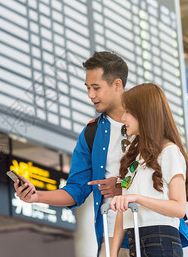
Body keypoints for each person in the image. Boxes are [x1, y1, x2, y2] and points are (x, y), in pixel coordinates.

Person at [15, 51, 129, 256]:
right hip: (112, 237)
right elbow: (76, 189)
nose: (90, 95)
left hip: (154, 230)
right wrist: (36, 196)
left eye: (96, 88)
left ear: (117, 85)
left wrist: (123, 185)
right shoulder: (91, 134)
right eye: (88, 88)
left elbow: (171, 172)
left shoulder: (150, 121)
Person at [109, 83, 188, 257]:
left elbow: (179, 208)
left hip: (161, 242)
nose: (122, 118)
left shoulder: (169, 151)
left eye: (127, 111)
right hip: (135, 240)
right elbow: (123, 207)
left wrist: (138, 198)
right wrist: (112, 254)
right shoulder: (135, 158)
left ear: (144, 113)